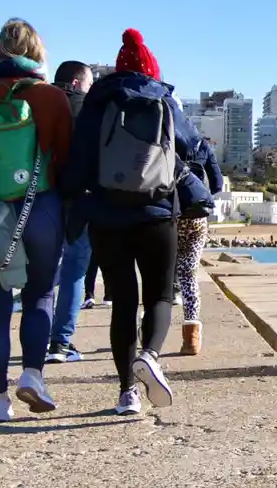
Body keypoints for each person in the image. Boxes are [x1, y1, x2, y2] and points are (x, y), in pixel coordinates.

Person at [64, 29, 205, 417]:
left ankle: (128, 393)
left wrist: (74, 202)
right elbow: (195, 147)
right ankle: (151, 355)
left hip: (107, 215)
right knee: (159, 295)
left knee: (122, 302)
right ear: (151, 69)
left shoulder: (99, 99)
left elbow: (78, 158)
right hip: (158, 213)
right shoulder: (164, 99)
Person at [0, 18, 73, 423]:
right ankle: (32, 376)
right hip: (42, 207)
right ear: (37, 53)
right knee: (40, 296)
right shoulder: (53, 97)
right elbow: (66, 158)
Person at [45, 61, 94, 364]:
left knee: (44, 271)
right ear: (77, 84)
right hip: (79, 200)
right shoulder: (89, 108)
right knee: (75, 269)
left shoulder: (38, 102)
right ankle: (60, 344)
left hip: (42, 198)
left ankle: (37, 336)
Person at [174, 137, 223, 356]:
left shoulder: (159, 135)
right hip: (196, 217)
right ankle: (191, 338)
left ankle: (148, 332)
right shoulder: (201, 145)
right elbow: (218, 183)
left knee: (159, 275)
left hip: (168, 216)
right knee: (189, 274)